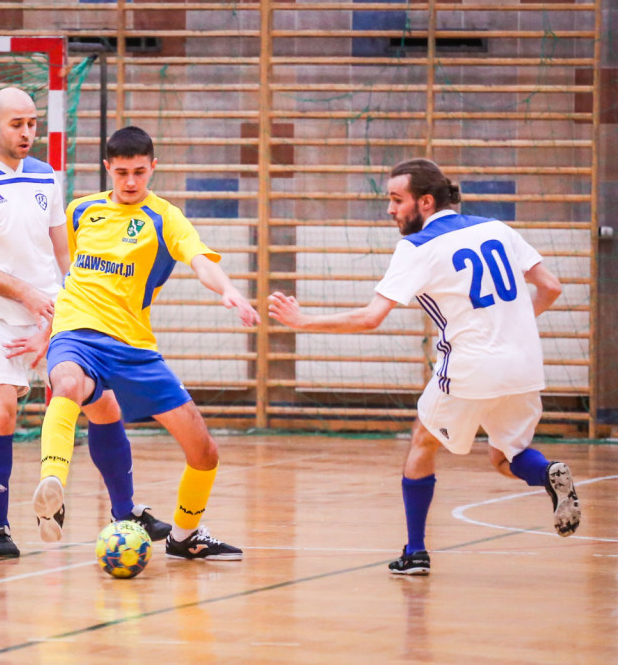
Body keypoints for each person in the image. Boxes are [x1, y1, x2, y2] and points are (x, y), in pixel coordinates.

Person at [268, 158, 581, 575]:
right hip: (524, 362)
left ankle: (415, 552)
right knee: (508, 456)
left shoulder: (416, 247)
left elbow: (371, 317)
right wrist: (509, 328)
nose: (390, 210)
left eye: (397, 200)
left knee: (422, 441)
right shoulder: (497, 229)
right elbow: (551, 287)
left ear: (426, 202)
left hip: (470, 366)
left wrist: (303, 321)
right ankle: (547, 474)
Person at [0, 89, 171, 559]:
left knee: (103, 405)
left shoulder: (46, 176)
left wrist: (66, 304)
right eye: (17, 124)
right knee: (1, 412)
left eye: (32, 123)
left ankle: (125, 512)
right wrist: (24, 292)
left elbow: (64, 253)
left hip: (53, 312)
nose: (27, 133)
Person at [33, 125, 260, 561]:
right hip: (77, 331)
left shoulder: (164, 217)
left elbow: (199, 260)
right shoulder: (81, 211)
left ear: (153, 167)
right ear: (107, 169)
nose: (131, 182)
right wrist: (46, 332)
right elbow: (67, 277)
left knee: (204, 451)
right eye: (121, 173)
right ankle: (53, 489)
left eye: (139, 171)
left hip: (133, 346)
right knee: (67, 384)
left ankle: (183, 537)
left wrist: (227, 290)